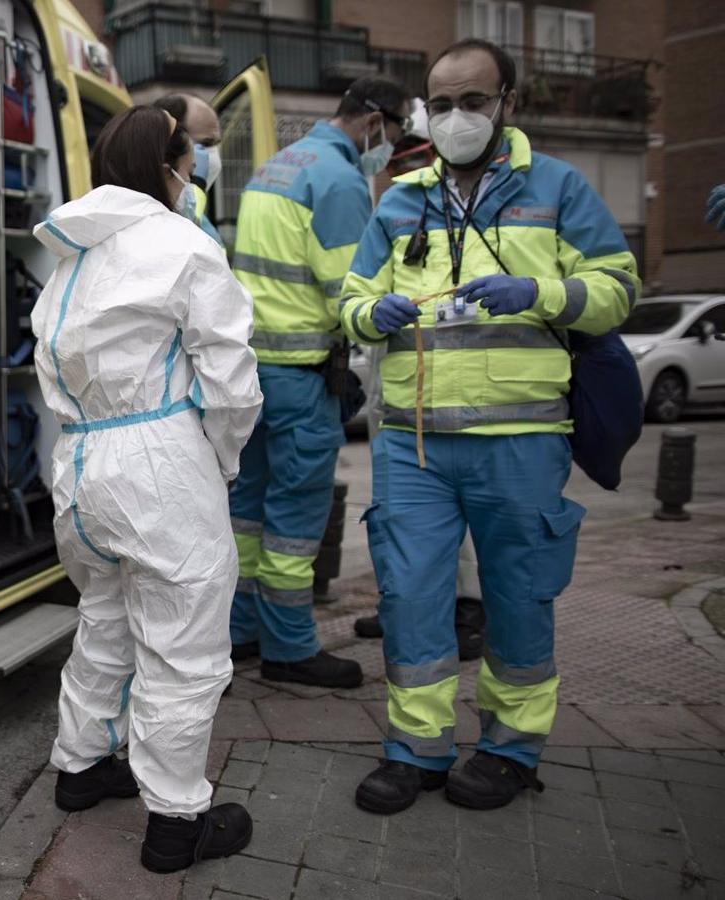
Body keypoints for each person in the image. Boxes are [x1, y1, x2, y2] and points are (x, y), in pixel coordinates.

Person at [340, 39, 639, 815]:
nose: (456, 117)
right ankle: (416, 750)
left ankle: (509, 750)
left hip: (520, 441)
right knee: (410, 599)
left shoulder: (559, 187)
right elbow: (350, 300)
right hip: (414, 444)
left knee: (518, 598)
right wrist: (371, 313)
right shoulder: (401, 198)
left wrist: (541, 293)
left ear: (507, 102)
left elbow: (618, 286)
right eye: (441, 104)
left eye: (472, 101)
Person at [35, 105, 263, 874]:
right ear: (170, 166)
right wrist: (220, 461)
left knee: (104, 619)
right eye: (192, 157)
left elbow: (53, 379)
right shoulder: (183, 244)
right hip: (160, 462)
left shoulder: (69, 261)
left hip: (81, 465)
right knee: (179, 645)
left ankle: (81, 767)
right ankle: (175, 823)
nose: (197, 170)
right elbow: (231, 381)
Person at [227, 76, 410, 688]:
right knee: (295, 518)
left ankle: (240, 633)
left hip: (250, 372)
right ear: (375, 123)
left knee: (247, 512)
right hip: (303, 375)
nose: (390, 149)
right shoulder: (339, 181)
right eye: (395, 133)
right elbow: (350, 293)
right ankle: (289, 647)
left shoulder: (273, 168)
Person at [352, 99, 486, 661]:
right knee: (397, 513)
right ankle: (401, 604)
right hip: (398, 386)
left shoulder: (471, 216)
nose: (399, 175)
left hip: (457, 390)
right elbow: (359, 290)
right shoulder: (396, 211)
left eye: (409, 163)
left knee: (456, 516)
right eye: (396, 166)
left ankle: (468, 610)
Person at [152, 93, 224, 246]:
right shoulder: (153, 216)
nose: (213, 153)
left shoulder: (201, 218)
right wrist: (196, 187)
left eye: (217, 143)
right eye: (206, 144)